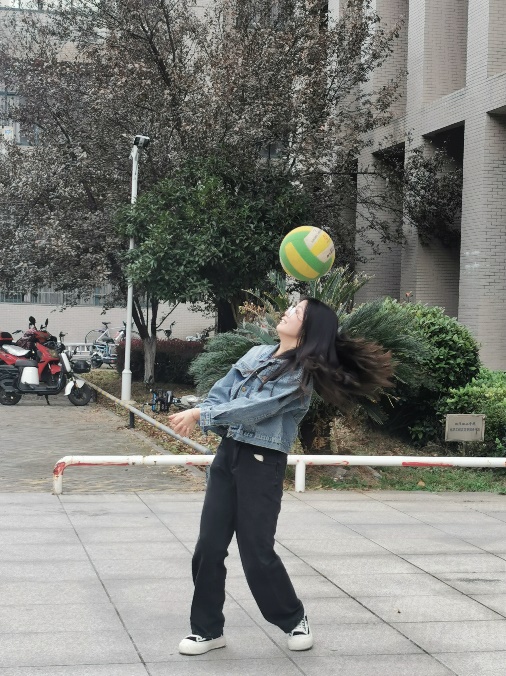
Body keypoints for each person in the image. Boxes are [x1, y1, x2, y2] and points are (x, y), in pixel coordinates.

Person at [168, 297, 393, 656]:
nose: (288, 311)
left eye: (297, 311)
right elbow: (223, 392)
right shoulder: (256, 353)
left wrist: (201, 416)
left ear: (309, 329)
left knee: (256, 551)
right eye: (292, 307)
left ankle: (293, 618)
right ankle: (207, 630)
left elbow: (257, 408)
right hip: (228, 455)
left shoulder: (301, 373)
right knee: (208, 547)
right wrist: (204, 409)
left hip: (262, 462)